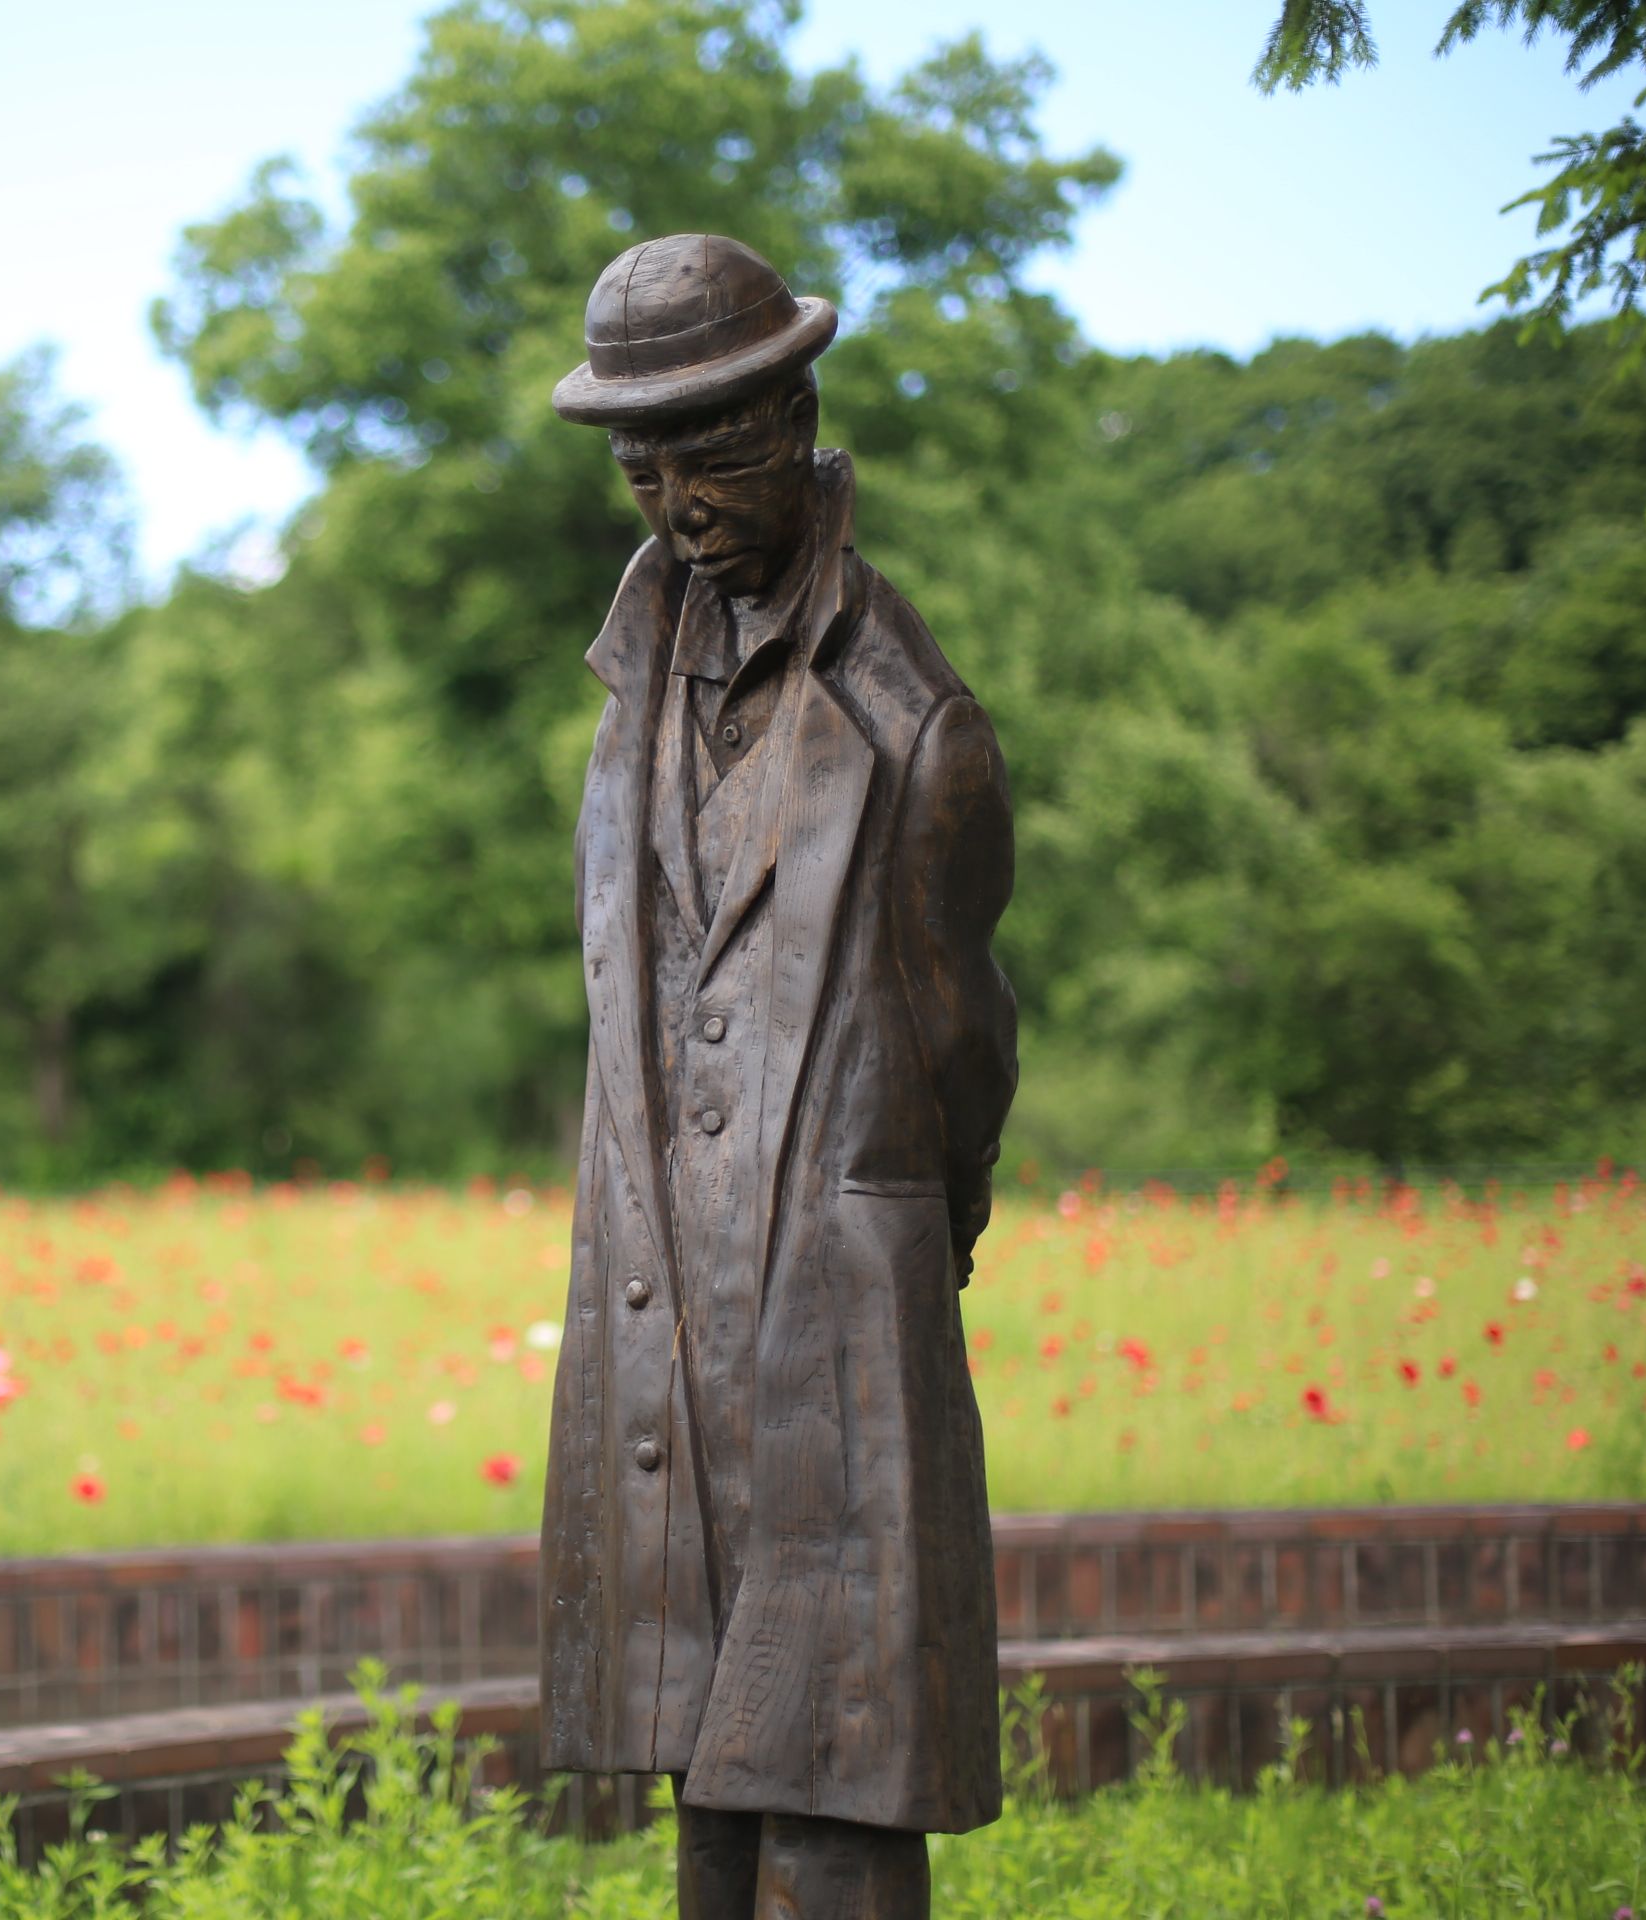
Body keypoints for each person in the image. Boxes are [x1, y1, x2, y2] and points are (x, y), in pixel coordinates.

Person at [538, 233, 1019, 1920]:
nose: (677, 502)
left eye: (713, 452)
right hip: (668, 1302)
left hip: (834, 1298)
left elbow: (964, 1039)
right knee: (708, 1783)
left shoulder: (910, 721)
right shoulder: (633, 684)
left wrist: (896, 1239)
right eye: (641, 463)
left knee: (836, 1769)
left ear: (798, 412)